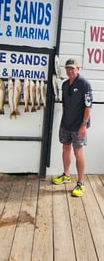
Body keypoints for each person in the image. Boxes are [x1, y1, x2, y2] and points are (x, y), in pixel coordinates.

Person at [52, 58, 93, 197]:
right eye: (68, 68)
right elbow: (64, 105)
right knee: (65, 148)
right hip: (66, 124)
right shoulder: (64, 85)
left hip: (78, 125)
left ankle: (80, 183)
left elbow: (88, 106)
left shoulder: (84, 84)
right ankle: (66, 174)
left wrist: (84, 124)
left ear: (78, 69)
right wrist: (64, 121)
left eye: (72, 68)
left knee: (78, 152)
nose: (70, 71)